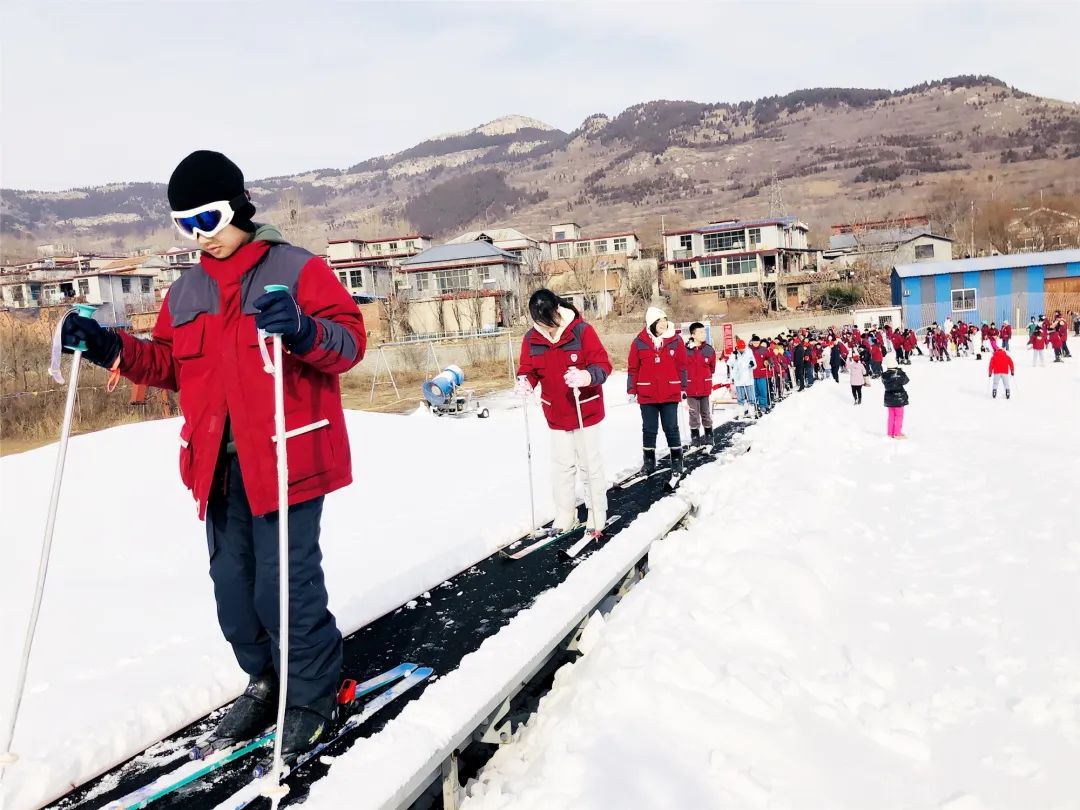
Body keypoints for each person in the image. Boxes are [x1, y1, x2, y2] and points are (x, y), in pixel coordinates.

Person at [60, 150, 365, 755]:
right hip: (219, 466)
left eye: (210, 218)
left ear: (239, 207)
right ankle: (264, 678)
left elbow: (349, 343)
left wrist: (302, 329)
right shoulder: (188, 289)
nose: (202, 236)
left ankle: (311, 693)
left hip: (285, 458)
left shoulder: (298, 270)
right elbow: (170, 363)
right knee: (234, 587)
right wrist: (106, 347)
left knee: (288, 586)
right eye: (187, 225)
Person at [517, 289, 612, 539]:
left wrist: (586, 376)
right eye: (540, 324)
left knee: (589, 464)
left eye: (548, 323)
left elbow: (603, 365)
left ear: (557, 312)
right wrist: (525, 381)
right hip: (556, 414)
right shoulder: (531, 339)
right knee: (561, 467)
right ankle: (565, 514)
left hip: (585, 410)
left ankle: (596, 513)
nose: (546, 329)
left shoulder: (581, 331)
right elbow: (529, 369)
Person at [627, 307, 688, 477]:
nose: (663, 323)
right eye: (659, 321)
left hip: (670, 391)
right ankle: (649, 462)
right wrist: (631, 390)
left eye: (665, 320)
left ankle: (676, 460)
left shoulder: (676, 341)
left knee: (671, 427)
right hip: (647, 393)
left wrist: (683, 387)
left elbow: (682, 366)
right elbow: (633, 368)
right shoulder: (638, 342)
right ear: (651, 323)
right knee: (649, 428)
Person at [683, 322, 717, 446]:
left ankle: (709, 435)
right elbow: (681, 368)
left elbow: (712, 368)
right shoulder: (685, 350)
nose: (704, 334)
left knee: (706, 412)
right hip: (691, 388)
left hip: (704, 387)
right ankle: (695, 437)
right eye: (700, 332)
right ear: (693, 334)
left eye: (704, 332)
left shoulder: (709, 349)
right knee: (693, 414)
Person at [881, 354, 909, 439]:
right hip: (899, 397)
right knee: (899, 416)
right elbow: (906, 381)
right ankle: (897, 433)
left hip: (889, 398)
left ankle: (890, 433)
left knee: (891, 416)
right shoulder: (900, 374)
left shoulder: (884, 375)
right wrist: (901, 371)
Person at [727, 339, 756, 418]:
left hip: (748, 378)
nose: (742, 349)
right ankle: (741, 414)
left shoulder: (749, 352)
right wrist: (733, 356)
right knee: (740, 398)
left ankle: (752, 413)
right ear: (737, 348)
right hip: (738, 379)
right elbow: (729, 363)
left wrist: (752, 364)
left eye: (743, 348)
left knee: (751, 397)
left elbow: (754, 365)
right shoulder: (734, 355)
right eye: (740, 348)